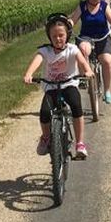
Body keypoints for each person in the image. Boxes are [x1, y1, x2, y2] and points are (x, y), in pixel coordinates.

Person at [23, 13, 93, 159]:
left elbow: (81, 61)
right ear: (49, 37)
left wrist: (87, 70)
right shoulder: (45, 51)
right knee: (44, 112)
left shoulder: (72, 49)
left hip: (69, 84)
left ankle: (80, 143)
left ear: (67, 35)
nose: (58, 39)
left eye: (61, 35)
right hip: (51, 87)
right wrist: (29, 73)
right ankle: (46, 137)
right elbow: (38, 60)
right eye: (54, 36)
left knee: (76, 105)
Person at [71, 0, 111, 104]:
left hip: (103, 37)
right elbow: (73, 20)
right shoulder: (82, 6)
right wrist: (67, 25)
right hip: (86, 37)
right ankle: (84, 76)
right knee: (84, 49)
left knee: (107, 61)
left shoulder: (104, 5)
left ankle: (107, 91)